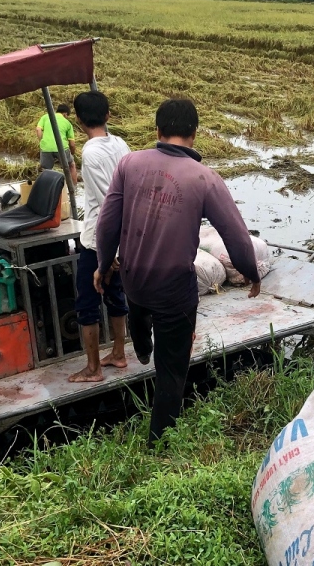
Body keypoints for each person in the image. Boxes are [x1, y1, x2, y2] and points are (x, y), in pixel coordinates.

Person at [93, 98, 261, 442]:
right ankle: (160, 439)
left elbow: (107, 222)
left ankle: (141, 347)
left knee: (138, 308)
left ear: (158, 130)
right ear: (194, 135)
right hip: (174, 290)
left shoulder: (129, 163)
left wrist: (102, 264)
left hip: (133, 277)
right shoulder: (204, 178)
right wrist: (251, 272)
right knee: (171, 369)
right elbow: (235, 234)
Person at [67, 91, 131, 383]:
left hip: (98, 240)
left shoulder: (90, 153)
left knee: (87, 304)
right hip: (122, 238)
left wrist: (108, 253)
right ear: (108, 115)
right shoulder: (120, 143)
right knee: (117, 296)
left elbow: (108, 202)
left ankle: (93, 369)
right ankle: (119, 353)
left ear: (78, 121)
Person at [36, 103, 78, 184]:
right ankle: (74, 188)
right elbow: (72, 144)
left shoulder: (45, 117)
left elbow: (38, 130)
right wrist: (72, 153)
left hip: (46, 148)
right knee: (71, 165)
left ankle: (46, 188)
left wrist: (42, 141)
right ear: (65, 114)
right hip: (61, 148)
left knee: (46, 170)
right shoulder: (67, 123)